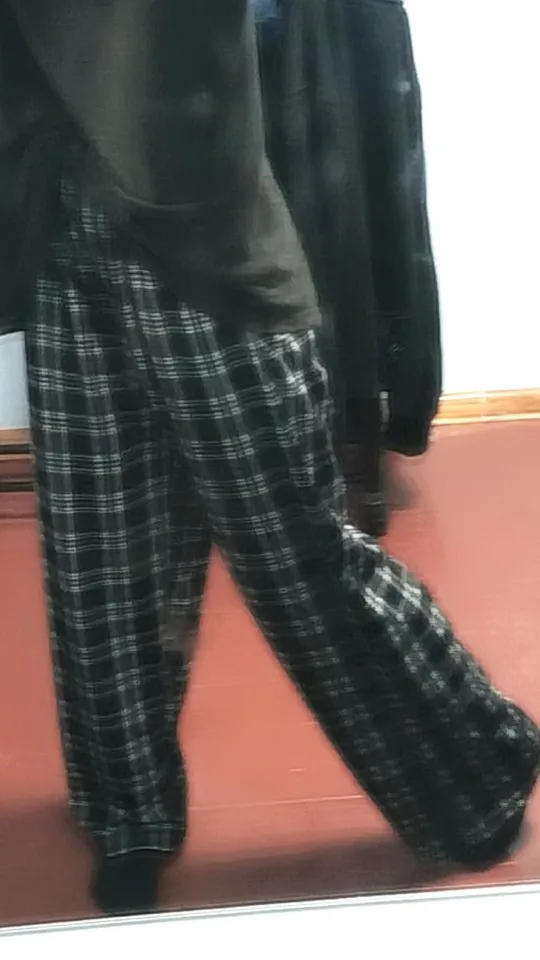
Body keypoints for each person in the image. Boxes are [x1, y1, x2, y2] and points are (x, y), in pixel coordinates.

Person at [2, 0, 539, 916]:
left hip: (201, 228)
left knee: (294, 549)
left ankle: (473, 761)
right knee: (101, 552)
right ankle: (127, 811)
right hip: (54, 217)